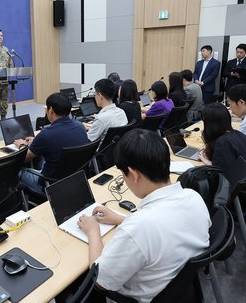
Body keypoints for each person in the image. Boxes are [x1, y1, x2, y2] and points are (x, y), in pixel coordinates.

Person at [77, 129, 210, 302]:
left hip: (147, 295)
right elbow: (164, 228)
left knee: (77, 281)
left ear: (133, 174)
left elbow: (99, 280)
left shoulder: (139, 227)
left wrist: (93, 231)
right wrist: (121, 219)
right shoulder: (194, 197)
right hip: (178, 289)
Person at [15, 93, 89, 195]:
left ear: (51, 110)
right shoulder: (80, 126)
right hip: (74, 179)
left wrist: (21, 145)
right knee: (40, 160)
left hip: (50, 184)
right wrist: (36, 141)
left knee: (18, 172)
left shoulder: (46, 133)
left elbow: (25, 158)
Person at [198, 103, 246, 188]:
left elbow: (219, 174)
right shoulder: (237, 134)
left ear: (210, 124)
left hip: (230, 189)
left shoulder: (222, 143)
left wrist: (205, 160)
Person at [87, 78, 128, 143]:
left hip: (99, 151)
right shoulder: (121, 112)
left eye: (95, 94)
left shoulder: (101, 119)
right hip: (116, 149)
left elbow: (88, 140)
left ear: (100, 96)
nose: (95, 97)